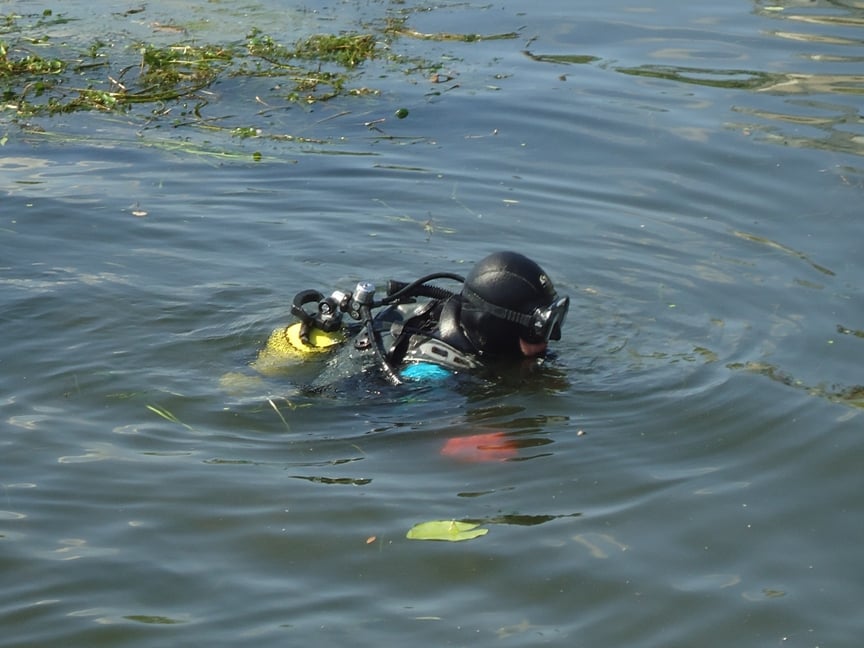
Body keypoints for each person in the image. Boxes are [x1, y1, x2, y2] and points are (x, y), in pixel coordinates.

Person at [254, 251, 569, 386]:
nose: (549, 340)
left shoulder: (456, 313)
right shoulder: (431, 374)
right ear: (496, 328)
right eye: (538, 329)